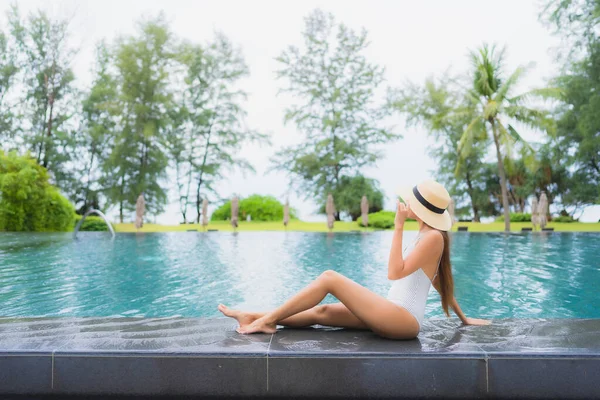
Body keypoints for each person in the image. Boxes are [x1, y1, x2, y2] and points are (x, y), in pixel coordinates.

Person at [218, 180, 491, 339]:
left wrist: (397, 226)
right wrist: (465, 319)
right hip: (391, 311)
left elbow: (394, 273)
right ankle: (253, 315)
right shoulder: (427, 235)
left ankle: (265, 322)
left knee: (329, 279)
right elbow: (440, 282)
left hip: (403, 320)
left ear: (418, 209)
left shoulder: (433, 237)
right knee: (321, 313)